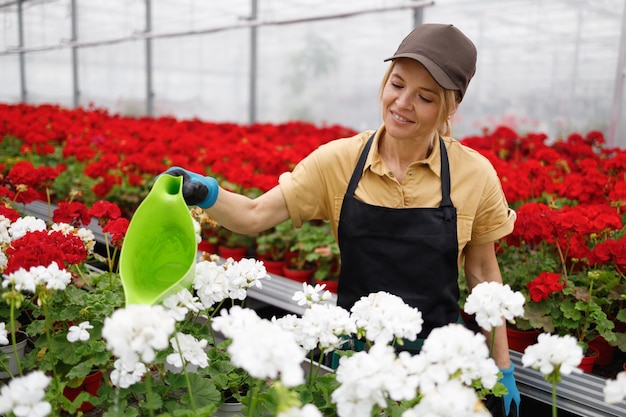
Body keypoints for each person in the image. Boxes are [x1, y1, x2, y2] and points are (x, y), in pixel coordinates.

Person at [163, 23, 520, 417]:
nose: (402, 103)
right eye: (397, 84)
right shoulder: (339, 161)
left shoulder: (474, 174)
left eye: (425, 97)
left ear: (450, 108)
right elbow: (254, 215)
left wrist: (501, 366)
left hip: (438, 366)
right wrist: (207, 193)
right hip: (355, 365)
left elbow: (485, 274)